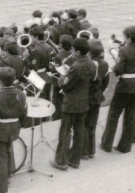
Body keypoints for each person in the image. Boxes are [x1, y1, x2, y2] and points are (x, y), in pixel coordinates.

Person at [101, 26, 135, 153]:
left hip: (125, 86)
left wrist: (115, 64)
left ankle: (106, 144)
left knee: (113, 115)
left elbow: (119, 70)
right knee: (131, 115)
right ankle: (125, 146)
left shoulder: (124, 50)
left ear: (129, 38)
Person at [51, 38, 95, 170]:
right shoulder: (91, 63)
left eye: (73, 50)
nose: (72, 53)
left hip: (71, 103)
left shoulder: (76, 67)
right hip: (83, 101)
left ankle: (61, 161)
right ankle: (75, 160)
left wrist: (63, 76)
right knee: (79, 131)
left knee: (65, 132)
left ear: (78, 51)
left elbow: (64, 84)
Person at [82, 39, 110, 159]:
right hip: (97, 96)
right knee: (92, 124)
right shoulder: (105, 64)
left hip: (86, 96)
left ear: (89, 52)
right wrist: (99, 92)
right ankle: (91, 151)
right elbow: (106, 81)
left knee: (83, 123)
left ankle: (83, 152)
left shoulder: (88, 64)